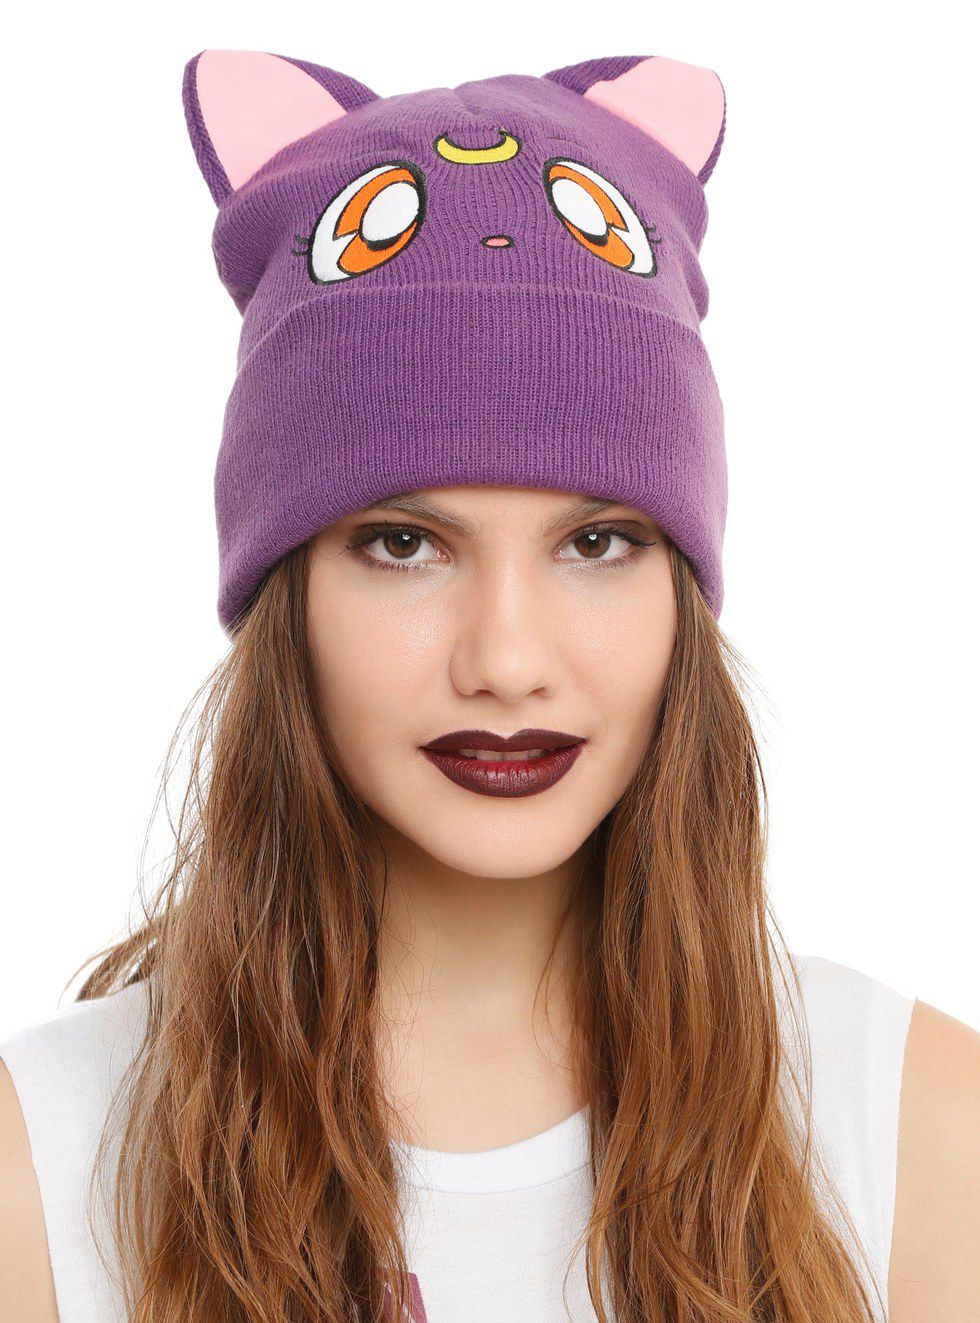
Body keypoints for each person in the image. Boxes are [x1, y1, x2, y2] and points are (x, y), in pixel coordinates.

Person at [0, 46, 977, 1323]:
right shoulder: (42, 1163)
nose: (507, 661)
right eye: (404, 544)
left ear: (681, 594)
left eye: (596, 542)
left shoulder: (913, 1130)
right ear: (286, 597)